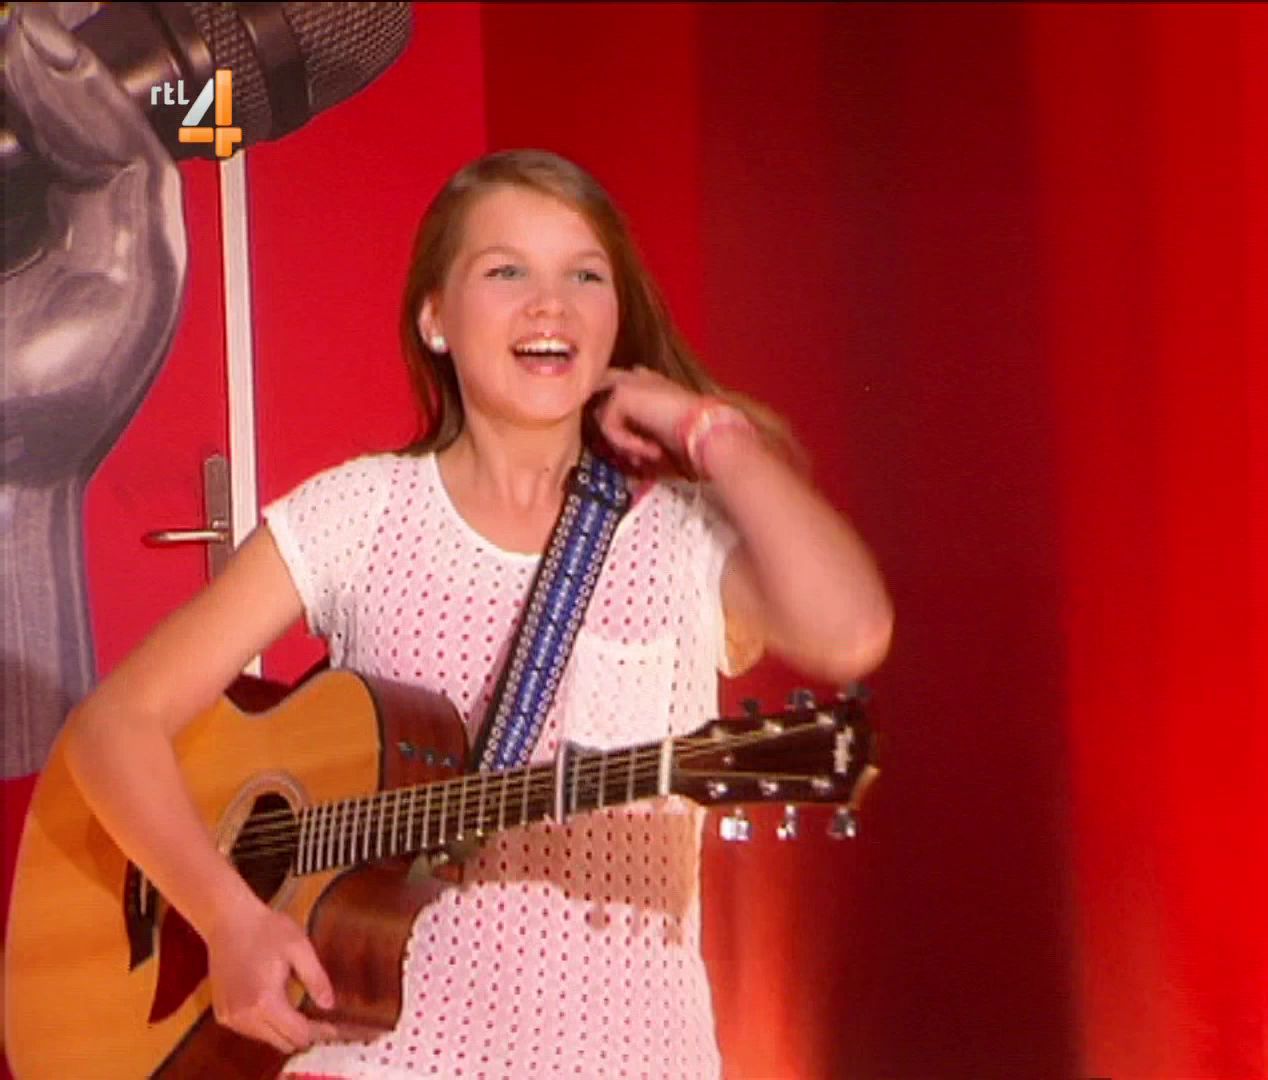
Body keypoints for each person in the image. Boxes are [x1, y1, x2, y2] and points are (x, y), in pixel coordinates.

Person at [58, 148, 895, 1078]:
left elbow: (851, 630)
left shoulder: (680, 537)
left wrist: (707, 429)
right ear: (435, 319)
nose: (551, 305)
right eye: (507, 272)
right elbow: (114, 727)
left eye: (585, 276)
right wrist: (225, 914)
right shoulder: (361, 514)